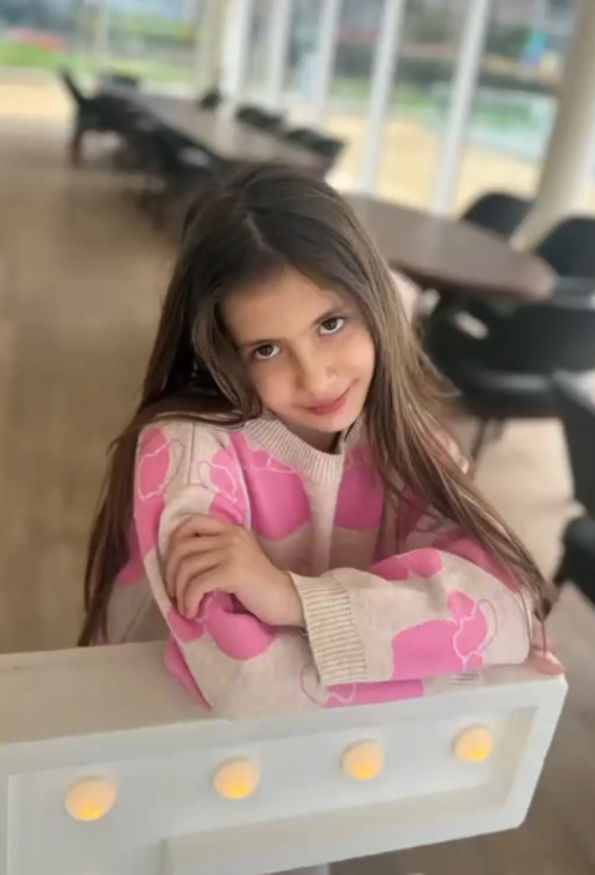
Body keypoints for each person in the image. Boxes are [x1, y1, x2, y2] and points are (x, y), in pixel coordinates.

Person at [79, 164, 558, 718]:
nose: (315, 377)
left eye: (331, 324)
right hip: (152, 727)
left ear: (375, 302)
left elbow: (505, 609)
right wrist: (432, 653)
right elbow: (252, 686)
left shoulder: (417, 445)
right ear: (223, 353)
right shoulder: (186, 451)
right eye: (266, 349)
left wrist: (292, 597)